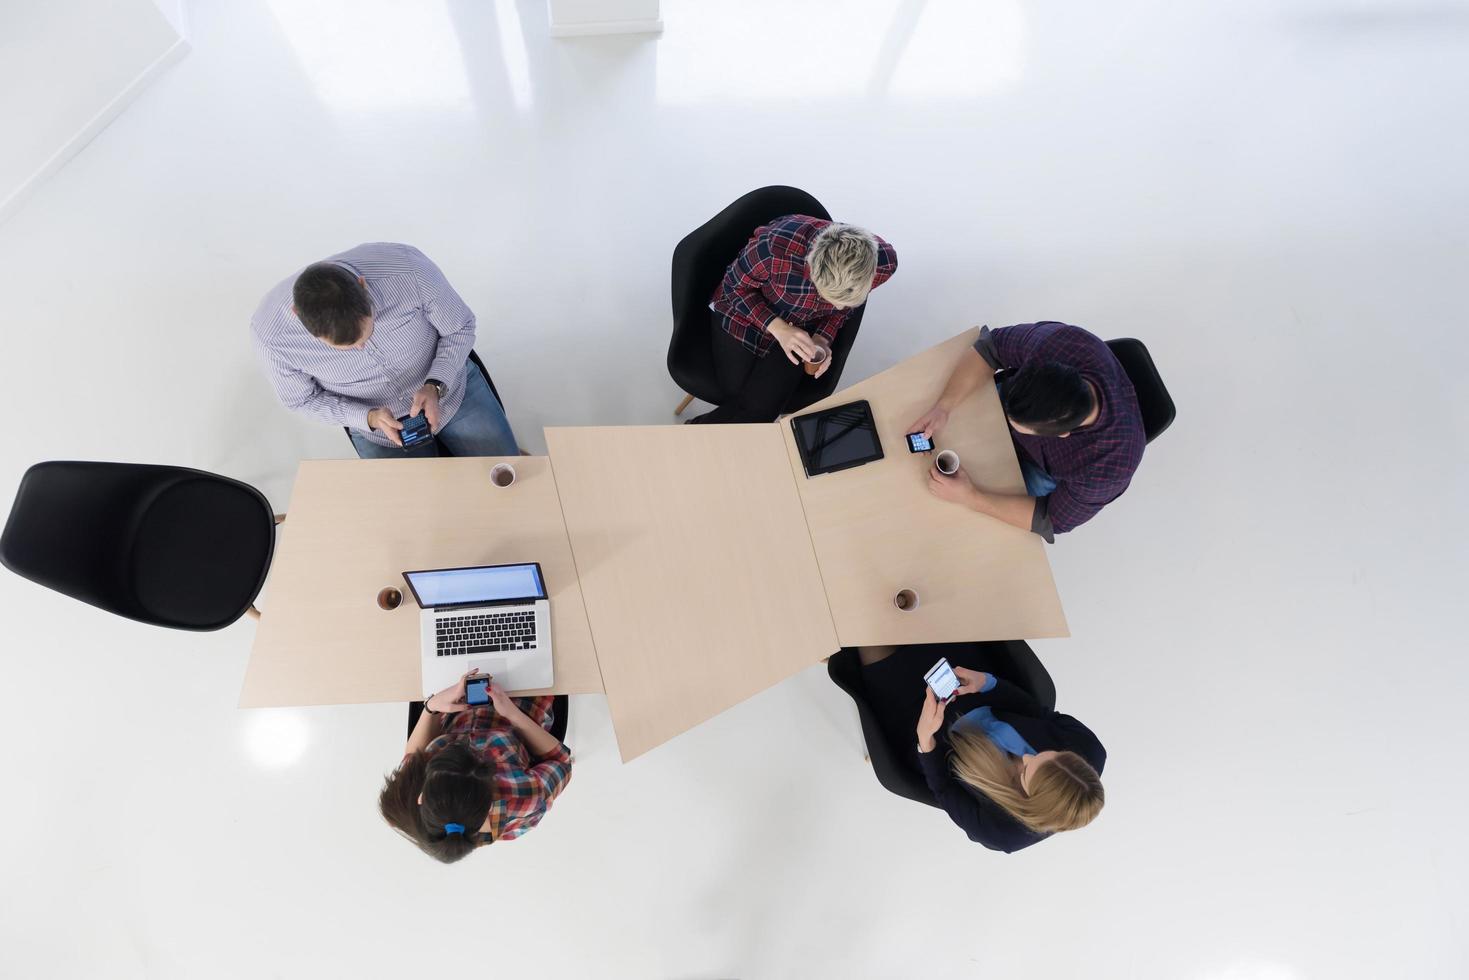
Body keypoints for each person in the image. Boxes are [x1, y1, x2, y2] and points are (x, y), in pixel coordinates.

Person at [251, 242, 519, 459]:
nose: (361, 347)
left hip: (454, 393)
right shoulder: (272, 338)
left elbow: (460, 327)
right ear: (297, 315)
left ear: (363, 286)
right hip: (379, 429)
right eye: (346, 347)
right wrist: (366, 417)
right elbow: (302, 400)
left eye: (365, 334)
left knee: (509, 474)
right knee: (412, 515)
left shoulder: (409, 270)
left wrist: (435, 385)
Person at [909, 321, 1144, 540]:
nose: (1009, 426)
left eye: (1019, 427)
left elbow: (1050, 519)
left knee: (956, 524)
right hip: (1020, 409)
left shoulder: (1108, 468)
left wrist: (971, 498)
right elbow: (991, 348)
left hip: (1040, 469)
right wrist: (943, 407)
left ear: (1060, 435)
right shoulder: (1060, 343)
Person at [860, 644, 1104, 852]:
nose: (1028, 754)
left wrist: (926, 739)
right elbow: (1038, 712)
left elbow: (944, 790)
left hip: (919, 725)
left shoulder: (1003, 832)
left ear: (1028, 799)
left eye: (1026, 769)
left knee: (867, 635)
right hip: (969, 687)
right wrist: (988, 683)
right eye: (1046, 753)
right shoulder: (1087, 747)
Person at [692, 215, 898, 424]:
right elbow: (733, 288)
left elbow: (840, 313)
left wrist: (822, 338)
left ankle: (694, 430)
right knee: (735, 391)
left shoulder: (883, 264)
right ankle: (696, 431)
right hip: (747, 312)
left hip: (803, 328)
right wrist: (779, 329)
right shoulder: (774, 249)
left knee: (760, 408)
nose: (838, 308)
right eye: (831, 298)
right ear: (811, 269)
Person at [378, 670, 571, 864]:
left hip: (453, 690)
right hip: (524, 696)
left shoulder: (407, 800)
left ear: (421, 797)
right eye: (482, 760)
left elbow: (413, 756)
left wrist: (432, 707)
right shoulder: (523, 798)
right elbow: (560, 761)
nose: (471, 747)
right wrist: (512, 714)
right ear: (489, 799)